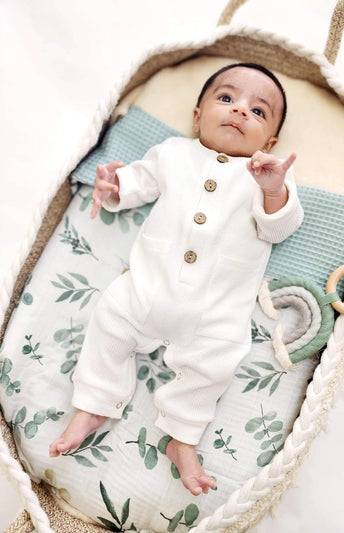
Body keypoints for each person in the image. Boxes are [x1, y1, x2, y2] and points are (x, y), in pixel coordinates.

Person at [49, 63, 304, 496]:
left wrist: (275, 189)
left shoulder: (267, 177)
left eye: (258, 112)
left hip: (215, 314)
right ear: (197, 116)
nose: (241, 111)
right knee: (109, 320)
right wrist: (113, 188)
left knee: (214, 364)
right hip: (147, 291)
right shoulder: (173, 153)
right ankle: (93, 404)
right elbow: (137, 184)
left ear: (271, 142)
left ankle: (181, 437)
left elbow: (279, 228)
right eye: (227, 99)